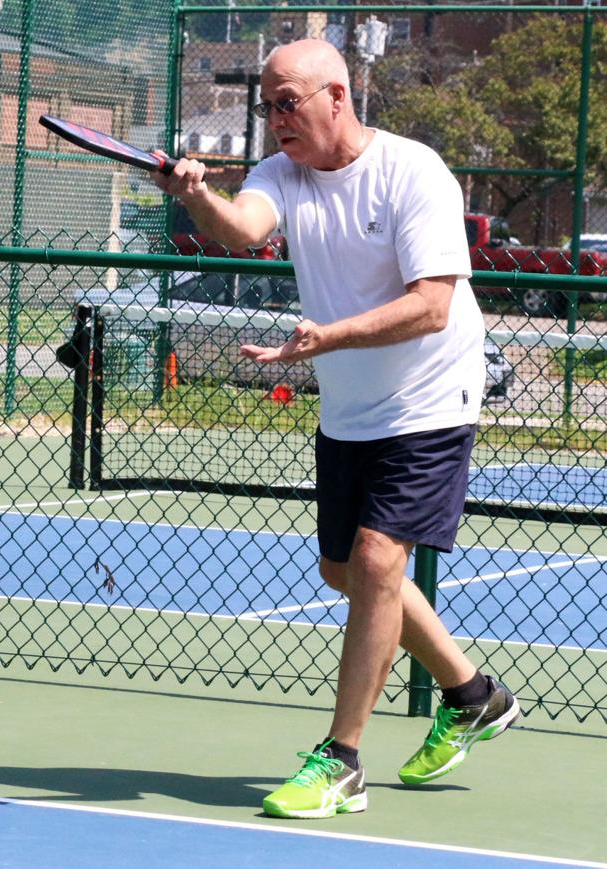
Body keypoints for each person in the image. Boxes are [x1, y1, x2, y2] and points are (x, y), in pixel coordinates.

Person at [149, 39, 520, 819]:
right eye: (268, 105)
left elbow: (432, 305)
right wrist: (192, 196)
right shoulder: (278, 173)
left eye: (290, 102)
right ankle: (473, 694)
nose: (276, 117)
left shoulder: (413, 172)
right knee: (345, 570)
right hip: (352, 405)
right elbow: (243, 228)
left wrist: (326, 336)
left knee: (381, 559)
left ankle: (342, 758)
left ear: (337, 99)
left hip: (430, 394)